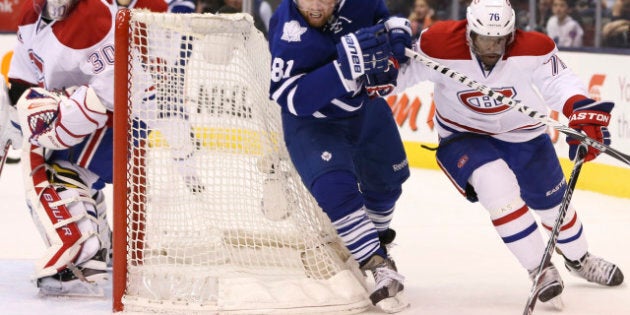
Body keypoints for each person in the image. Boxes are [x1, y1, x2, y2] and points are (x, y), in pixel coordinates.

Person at [392, 0, 624, 305]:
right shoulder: (439, 43)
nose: (491, 47)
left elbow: (560, 82)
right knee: (496, 185)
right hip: (464, 136)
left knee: (556, 209)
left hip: (524, 136)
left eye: (499, 39)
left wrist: (579, 110)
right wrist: (375, 75)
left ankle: (580, 259)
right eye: (484, 38)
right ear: (470, 31)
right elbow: (400, 74)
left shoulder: (534, 48)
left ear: (511, 33)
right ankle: (539, 270)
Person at [6, 0, 198, 296]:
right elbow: (23, 82)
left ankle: (83, 254)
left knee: (57, 170)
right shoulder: (31, 18)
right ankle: (102, 246)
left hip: (124, 116)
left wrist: (60, 122)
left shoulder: (93, 15)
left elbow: (118, 87)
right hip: (93, 114)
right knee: (58, 167)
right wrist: (15, 116)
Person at [267, 0, 411, 312]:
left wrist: (395, 34)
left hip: (365, 110)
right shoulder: (288, 28)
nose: (314, 6)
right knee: (335, 191)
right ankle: (376, 263)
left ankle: (377, 242)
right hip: (314, 122)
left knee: (387, 184)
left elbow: (383, 21)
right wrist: (344, 69)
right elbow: (291, 97)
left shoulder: (363, 3)